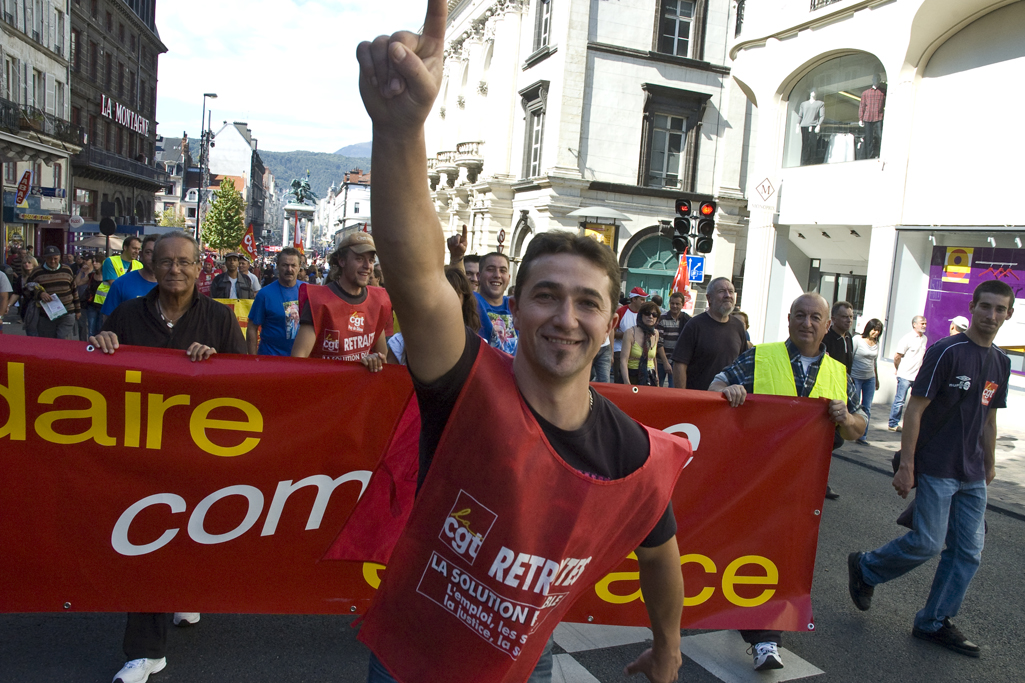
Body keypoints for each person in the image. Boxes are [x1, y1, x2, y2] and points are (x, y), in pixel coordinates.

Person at [354, 5, 689, 681]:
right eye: (546, 294)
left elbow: (660, 551)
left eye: (586, 301)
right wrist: (397, 133)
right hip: (408, 660)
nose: (566, 316)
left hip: (516, 665)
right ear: (513, 304)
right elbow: (417, 273)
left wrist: (669, 644)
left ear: (611, 318)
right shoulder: (464, 382)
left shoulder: (627, 448)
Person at [87, 231, 246, 683]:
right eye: (166, 262)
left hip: (202, 454)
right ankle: (145, 652)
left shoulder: (218, 318)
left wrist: (217, 364)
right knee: (147, 541)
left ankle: (185, 590)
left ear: (200, 268)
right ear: (151, 268)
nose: (175, 270)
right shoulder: (127, 314)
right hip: (143, 453)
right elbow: (93, 379)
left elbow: (248, 386)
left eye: (184, 262)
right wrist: (101, 349)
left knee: (196, 534)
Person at [848, 280, 1014, 658]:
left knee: (968, 552)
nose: (991, 315)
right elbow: (916, 409)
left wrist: (988, 464)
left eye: (999, 309)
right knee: (925, 542)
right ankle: (867, 567)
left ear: (1009, 314)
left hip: (972, 473)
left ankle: (934, 621)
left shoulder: (1001, 362)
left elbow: (988, 419)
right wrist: (907, 465)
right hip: (937, 466)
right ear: (972, 307)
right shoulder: (946, 351)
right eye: (984, 307)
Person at [710, 292, 867, 671]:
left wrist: (845, 418)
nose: (807, 323)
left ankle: (756, 622)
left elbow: (858, 427)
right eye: (800, 315)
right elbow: (714, 387)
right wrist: (728, 392)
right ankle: (764, 637)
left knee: (782, 557)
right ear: (789, 319)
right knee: (753, 550)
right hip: (753, 478)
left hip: (803, 486)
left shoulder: (839, 373)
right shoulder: (760, 356)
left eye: (816, 317)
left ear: (827, 326)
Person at [291, 232, 392, 370]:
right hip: (324, 388)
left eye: (371, 260)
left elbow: (383, 360)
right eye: (359, 259)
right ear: (342, 261)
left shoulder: (378, 301)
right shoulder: (319, 301)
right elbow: (298, 360)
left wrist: (374, 361)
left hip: (359, 389)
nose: (367, 266)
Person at [388, 266, 480, 365]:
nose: (445, 302)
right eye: (439, 295)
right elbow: (389, 378)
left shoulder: (476, 346)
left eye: (453, 295)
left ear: (464, 302)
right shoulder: (400, 343)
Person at [672, 277, 747, 391]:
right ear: (709, 298)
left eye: (731, 291)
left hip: (729, 401)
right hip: (699, 399)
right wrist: (683, 397)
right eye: (721, 291)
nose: (728, 295)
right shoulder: (694, 325)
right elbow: (679, 365)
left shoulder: (738, 326)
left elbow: (743, 363)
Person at [246, 247, 305, 356]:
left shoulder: (308, 291)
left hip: (299, 361)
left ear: (299, 267)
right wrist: (253, 360)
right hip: (271, 359)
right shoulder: (264, 294)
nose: (289, 269)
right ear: (277, 266)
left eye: (293, 265)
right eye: (285, 265)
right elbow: (252, 327)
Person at [27, 246, 80, 340]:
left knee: (63, 340)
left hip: (67, 312)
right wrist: (40, 294)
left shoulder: (67, 270)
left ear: (60, 257)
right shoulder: (37, 272)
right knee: (48, 342)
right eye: (49, 259)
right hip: (47, 314)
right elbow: (28, 290)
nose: (52, 261)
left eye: (55, 258)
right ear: (44, 258)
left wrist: (77, 310)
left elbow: (74, 290)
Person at [100, 235, 159, 318]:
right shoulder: (119, 283)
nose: (153, 258)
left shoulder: (173, 285)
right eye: (149, 252)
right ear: (141, 255)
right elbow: (108, 320)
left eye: (158, 253)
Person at [888, 315, 928, 431]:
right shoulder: (907, 338)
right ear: (914, 324)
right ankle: (893, 423)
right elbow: (897, 356)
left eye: (925, 323)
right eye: (922, 323)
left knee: (915, 402)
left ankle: (909, 424)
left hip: (917, 376)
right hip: (905, 375)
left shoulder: (924, 339)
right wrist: (898, 368)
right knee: (900, 400)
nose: (924, 325)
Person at [473, 251, 518, 354]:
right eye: (490, 269)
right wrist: (456, 258)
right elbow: (456, 286)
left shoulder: (516, 305)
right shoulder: (471, 301)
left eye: (503, 271)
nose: (497, 275)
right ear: (479, 276)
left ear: (509, 277)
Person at [850, 319, 883, 445]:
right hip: (856, 377)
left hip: (870, 378)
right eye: (874, 330)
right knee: (855, 405)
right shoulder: (857, 339)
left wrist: (877, 378)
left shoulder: (876, 343)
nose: (875, 333)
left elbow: (874, 362)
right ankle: (852, 431)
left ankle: (862, 436)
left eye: (878, 331)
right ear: (868, 328)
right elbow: (850, 356)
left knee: (867, 407)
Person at [620, 301, 661, 386]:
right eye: (647, 313)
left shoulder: (656, 333)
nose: (650, 316)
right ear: (641, 315)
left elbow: (653, 359)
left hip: (650, 376)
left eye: (654, 315)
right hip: (632, 375)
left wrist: (657, 379)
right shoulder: (630, 333)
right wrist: (627, 382)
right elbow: (623, 360)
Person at [95, 236, 143, 308]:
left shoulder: (139, 265)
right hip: (107, 302)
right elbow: (114, 285)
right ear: (125, 247)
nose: (137, 252)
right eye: (134, 248)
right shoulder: (110, 261)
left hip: (128, 304)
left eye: (138, 249)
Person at [613, 287, 649, 383]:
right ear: (634, 299)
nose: (643, 302)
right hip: (619, 350)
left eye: (644, 300)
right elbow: (612, 332)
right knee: (620, 379)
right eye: (641, 299)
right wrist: (626, 336)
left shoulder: (644, 314)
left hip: (637, 353)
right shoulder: (621, 311)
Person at [655, 292, 690, 388]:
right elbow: (659, 343)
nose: (674, 306)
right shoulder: (662, 319)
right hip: (661, 361)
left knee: (674, 390)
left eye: (677, 304)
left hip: (677, 363)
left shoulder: (687, 321)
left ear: (682, 305)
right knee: (657, 389)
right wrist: (665, 362)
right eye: (672, 303)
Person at [822, 301, 854, 373]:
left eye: (851, 317)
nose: (849, 320)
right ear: (833, 319)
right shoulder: (825, 338)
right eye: (844, 317)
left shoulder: (848, 337)